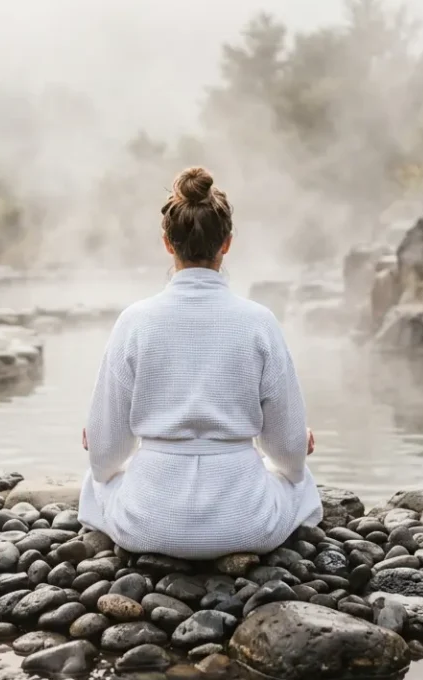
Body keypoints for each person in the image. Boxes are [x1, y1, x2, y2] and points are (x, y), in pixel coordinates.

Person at [77, 166, 323, 560]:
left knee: (96, 483)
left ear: (166, 244)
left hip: (147, 524)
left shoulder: (134, 321)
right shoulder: (259, 322)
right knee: (299, 483)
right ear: (226, 244)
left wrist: (102, 446)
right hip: (246, 523)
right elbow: (289, 453)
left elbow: (105, 455)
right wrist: (296, 449)